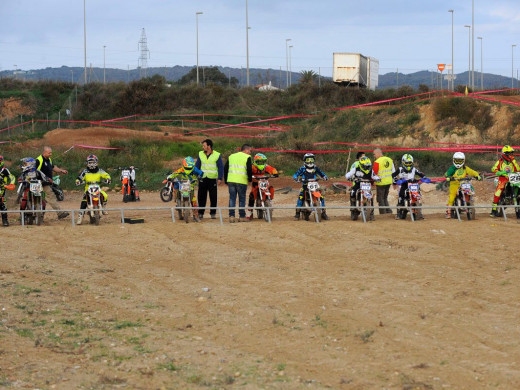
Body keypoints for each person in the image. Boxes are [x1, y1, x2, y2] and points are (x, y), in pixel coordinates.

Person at [75, 155, 111, 225]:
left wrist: (108, 179)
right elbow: (79, 177)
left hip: (97, 188)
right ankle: (80, 217)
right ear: (87, 163)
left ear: (96, 162)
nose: (91, 164)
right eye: (90, 162)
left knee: (105, 195)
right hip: (88, 189)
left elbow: (106, 174)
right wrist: (78, 181)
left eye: (93, 162)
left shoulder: (100, 171)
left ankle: (103, 208)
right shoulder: (85, 171)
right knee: (84, 202)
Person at [445, 152, 482, 218]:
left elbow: (472, 171)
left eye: (460, 161)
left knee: (468, 192)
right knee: (452, 196)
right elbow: (447, 173)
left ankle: (469, 203)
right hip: (454, 183)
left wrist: (477, 175)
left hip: (464, 183)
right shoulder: (452, 168)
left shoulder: (465, 168)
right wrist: (448, 177)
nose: (458, 163)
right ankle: (448, 211)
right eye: (457, 161)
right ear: (454, 160)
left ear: (463, 161)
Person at [35, 146, 69, 219]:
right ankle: (59, 213)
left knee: (46, 199)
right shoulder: (39, 160)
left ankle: (41, 216)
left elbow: (53, 167)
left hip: (46, 183)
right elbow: (35, 171)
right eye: (49, 153)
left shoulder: (49, 160)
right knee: (48, 197)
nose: (51, 154)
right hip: (39, 183)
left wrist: (61, 170)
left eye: (51, 153)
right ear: (44, 152)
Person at [293, 153, 329, 220]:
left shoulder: (315, 168)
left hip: (314, 185)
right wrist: (296, 178)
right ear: (305, 160)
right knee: (301, 197)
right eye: (308, 160)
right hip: (305, 185)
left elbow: (321, 173)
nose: (310, 161)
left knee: (321, 197)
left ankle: (323, 212)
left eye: (311, 159)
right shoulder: (302, 169)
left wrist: (324, 177)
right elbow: (296, 174)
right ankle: (297, 213)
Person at [167, 156, 204, 222]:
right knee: (177, 192)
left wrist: (200, 176)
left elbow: (201, 173)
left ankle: (196, 216)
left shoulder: (195, 169)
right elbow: (174, 173)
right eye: (187, 167)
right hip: (182, 186)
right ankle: (177, 202)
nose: (188, 169)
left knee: (194, 201)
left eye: (189, 168)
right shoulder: (181, 170)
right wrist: (169, 177)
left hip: (190, 187)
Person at [392, 154, 427, 220]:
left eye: (409, 163)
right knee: (401, 197)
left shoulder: (414, 169)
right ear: (403, 162)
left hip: (413, 184)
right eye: (406, 163)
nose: (408, 165)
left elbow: (420, 173)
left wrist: (424, 177)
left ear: (412, 162)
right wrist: (395, 180)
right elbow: (393, 175)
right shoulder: (400, 169)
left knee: (418, 194)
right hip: (404, 184)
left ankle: (419, 212)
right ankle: (399, 213)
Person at [195, 139, 224, 220]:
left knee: (213, 197)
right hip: (202, 178)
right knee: (201, 196)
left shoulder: (217, 155)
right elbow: (197, 165)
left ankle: (213, 213)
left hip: (212, 179)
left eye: (204, 146)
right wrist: (196, 174)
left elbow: (220, 167)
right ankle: (200, 213)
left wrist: (220, 178)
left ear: (209, 146)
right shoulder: (200, 154)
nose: (203, 147)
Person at [18, 157, 53, 222]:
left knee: (43, 200)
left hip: (37, 187)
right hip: (28, 187)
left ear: (31, 164)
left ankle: (42, 214)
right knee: (24, 199)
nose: (24, 165)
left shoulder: (37, 171)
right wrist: (21, 180)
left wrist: (48, 179)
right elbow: (21, 177)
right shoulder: (25, 172)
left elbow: (44, 176)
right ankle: (22, 215)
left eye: (25, 164)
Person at [345, 156, 380, 221]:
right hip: (358, 184)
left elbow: (374, 176)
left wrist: (378, 179)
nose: (367, 167)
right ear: (361, 165)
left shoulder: (370, 171)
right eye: (365, 166)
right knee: (352, 192)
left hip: (367, 185)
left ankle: (371, 214)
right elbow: (348, 174)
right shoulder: (356, 169)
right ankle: (353, 208)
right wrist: (348, 177)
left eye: (368, 166)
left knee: (371, 197)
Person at [224, 144, 253, 223]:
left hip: (231, 181)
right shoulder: (247, 157)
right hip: (241, 181)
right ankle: (242, 216)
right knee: (242, 198)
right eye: (250, 151)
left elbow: (225, 168)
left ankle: (231, 216)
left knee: (232, 198)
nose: (250, 153)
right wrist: (250, 179)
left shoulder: (231, 156)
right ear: (246, 150)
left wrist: (226, 180)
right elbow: (249, 169)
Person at [489, 145, 520, 217]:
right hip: (503, 179)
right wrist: (499, 172)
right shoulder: (500, 161)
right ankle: (493, 210)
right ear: (505, 154)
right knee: (498, 192)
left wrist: (513, 161)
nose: (511, 155)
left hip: (513, 178)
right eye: (509, 153)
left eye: (512, 153)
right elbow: (493, 168)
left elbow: (518, 169)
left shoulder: (513, 161)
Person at [247, 153, 278, 220]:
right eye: (259, 161)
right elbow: (248, 171)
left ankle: (268, 201)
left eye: (262, 161)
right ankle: (250, 212)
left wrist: (275, 173)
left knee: (270, 189)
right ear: (255, 161)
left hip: (263, 182)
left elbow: (272, 169)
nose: (261, 163)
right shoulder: (252, 166)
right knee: (252, 195)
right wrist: (249, 176)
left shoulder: (265, 166)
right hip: (255, 182)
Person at [373, 148, 395, 214]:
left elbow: (374, 173)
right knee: (385, 198)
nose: (374, 156)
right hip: (388, 182)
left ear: (378, 153)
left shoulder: (377, 162)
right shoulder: (389, 160)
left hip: (380, 183)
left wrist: (373, 181)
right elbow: (393, 171)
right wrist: (394, 181)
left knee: (380, 199)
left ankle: (383, 213)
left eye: (374, 154)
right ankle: (388, 211)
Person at [0, 156, 16, 226]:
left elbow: (12, 177)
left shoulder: (5, 170)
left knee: (2, 204)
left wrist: (11, 183)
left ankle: (5, 220)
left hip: (2, 188)